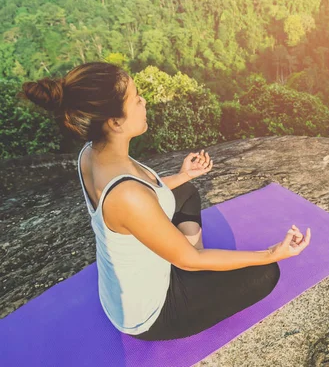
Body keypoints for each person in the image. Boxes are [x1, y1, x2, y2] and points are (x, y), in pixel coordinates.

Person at [19, 61, 311, 341]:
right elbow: (189, 257)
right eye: (136, 99)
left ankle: (189, 261)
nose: (144, 102)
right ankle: (194, 276)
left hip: (127, 280)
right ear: (115, 122)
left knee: (184, 192)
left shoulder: (91, 153)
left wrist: (184, 175)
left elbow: (147, 194)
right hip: (153, 313)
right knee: (266, 274)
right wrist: (272, 253)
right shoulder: (127, 195)